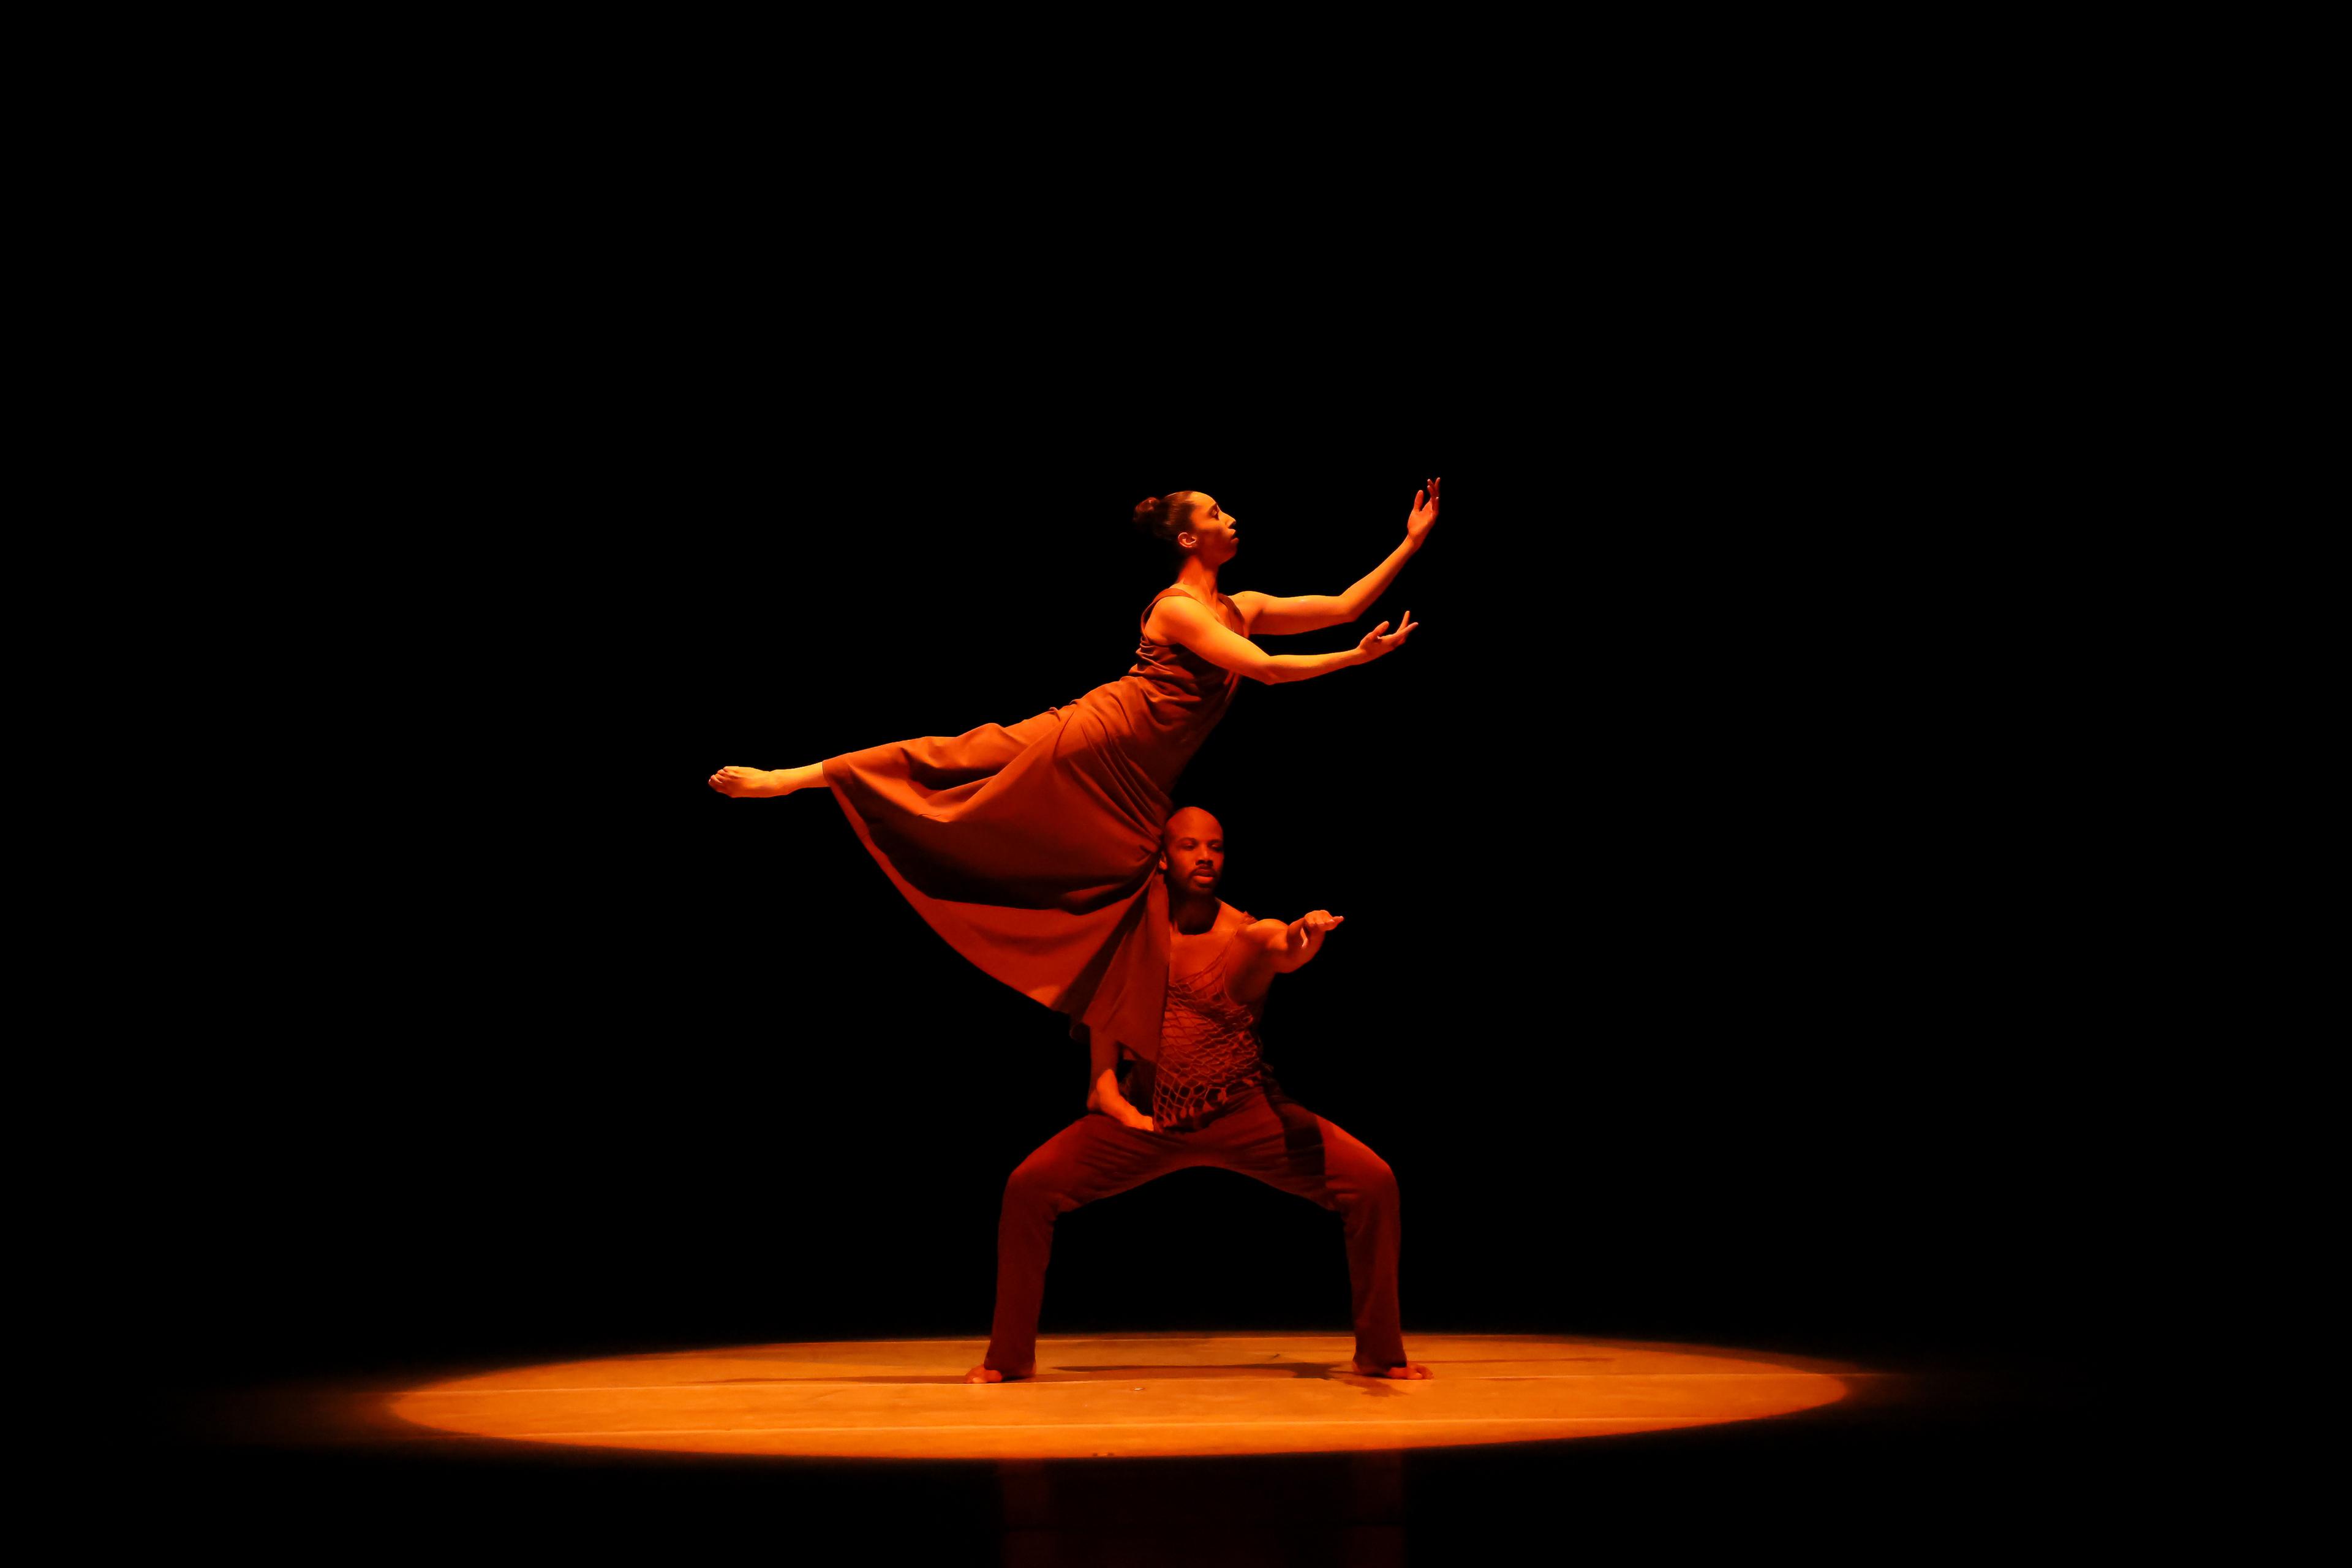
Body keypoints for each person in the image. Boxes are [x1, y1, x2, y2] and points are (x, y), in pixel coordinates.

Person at [707, 481, 1441, 1071]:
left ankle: (1113, 1058)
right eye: (1217, 512)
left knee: (1118, 885)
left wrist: (1408, 543)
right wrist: (1355, 660)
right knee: (960, 757)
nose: (1232, 517)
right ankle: (790, 778)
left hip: (1140, 779)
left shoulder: (1239, 606)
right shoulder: (1182, 610)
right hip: (1099, 738)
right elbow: (1270, 672)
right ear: (1189, 538)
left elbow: (1344, 605)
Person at [965, 806, 1431, 1383]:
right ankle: (1008, 1358)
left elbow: (1281, 947)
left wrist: (1303, 938)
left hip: (1243, 1110)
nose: (1206, 856)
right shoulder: (1131, 936)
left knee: (1373, 1182)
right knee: (1029, 1186)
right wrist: (1110, 1095)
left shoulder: (1244, 934)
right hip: (1147, 1118)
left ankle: (1379, 1353)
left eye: (1216, 846)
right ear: (1163, 857)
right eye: (1190, 846)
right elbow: (1104, 1040)